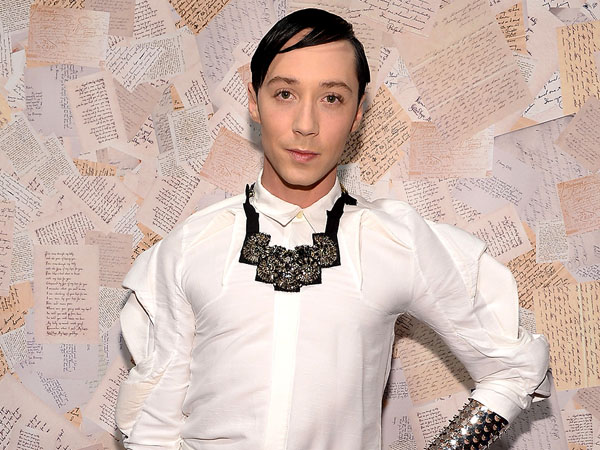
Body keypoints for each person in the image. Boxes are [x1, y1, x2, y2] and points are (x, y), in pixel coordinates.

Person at [115, 8, 550, 450]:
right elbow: (152, 428)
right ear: (254, 101)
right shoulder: (190, 246)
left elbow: (514, 368)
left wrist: (453, 445)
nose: (305, 125)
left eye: (332, 99)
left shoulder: (397, 242)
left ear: (358, 113)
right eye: (285, 93)